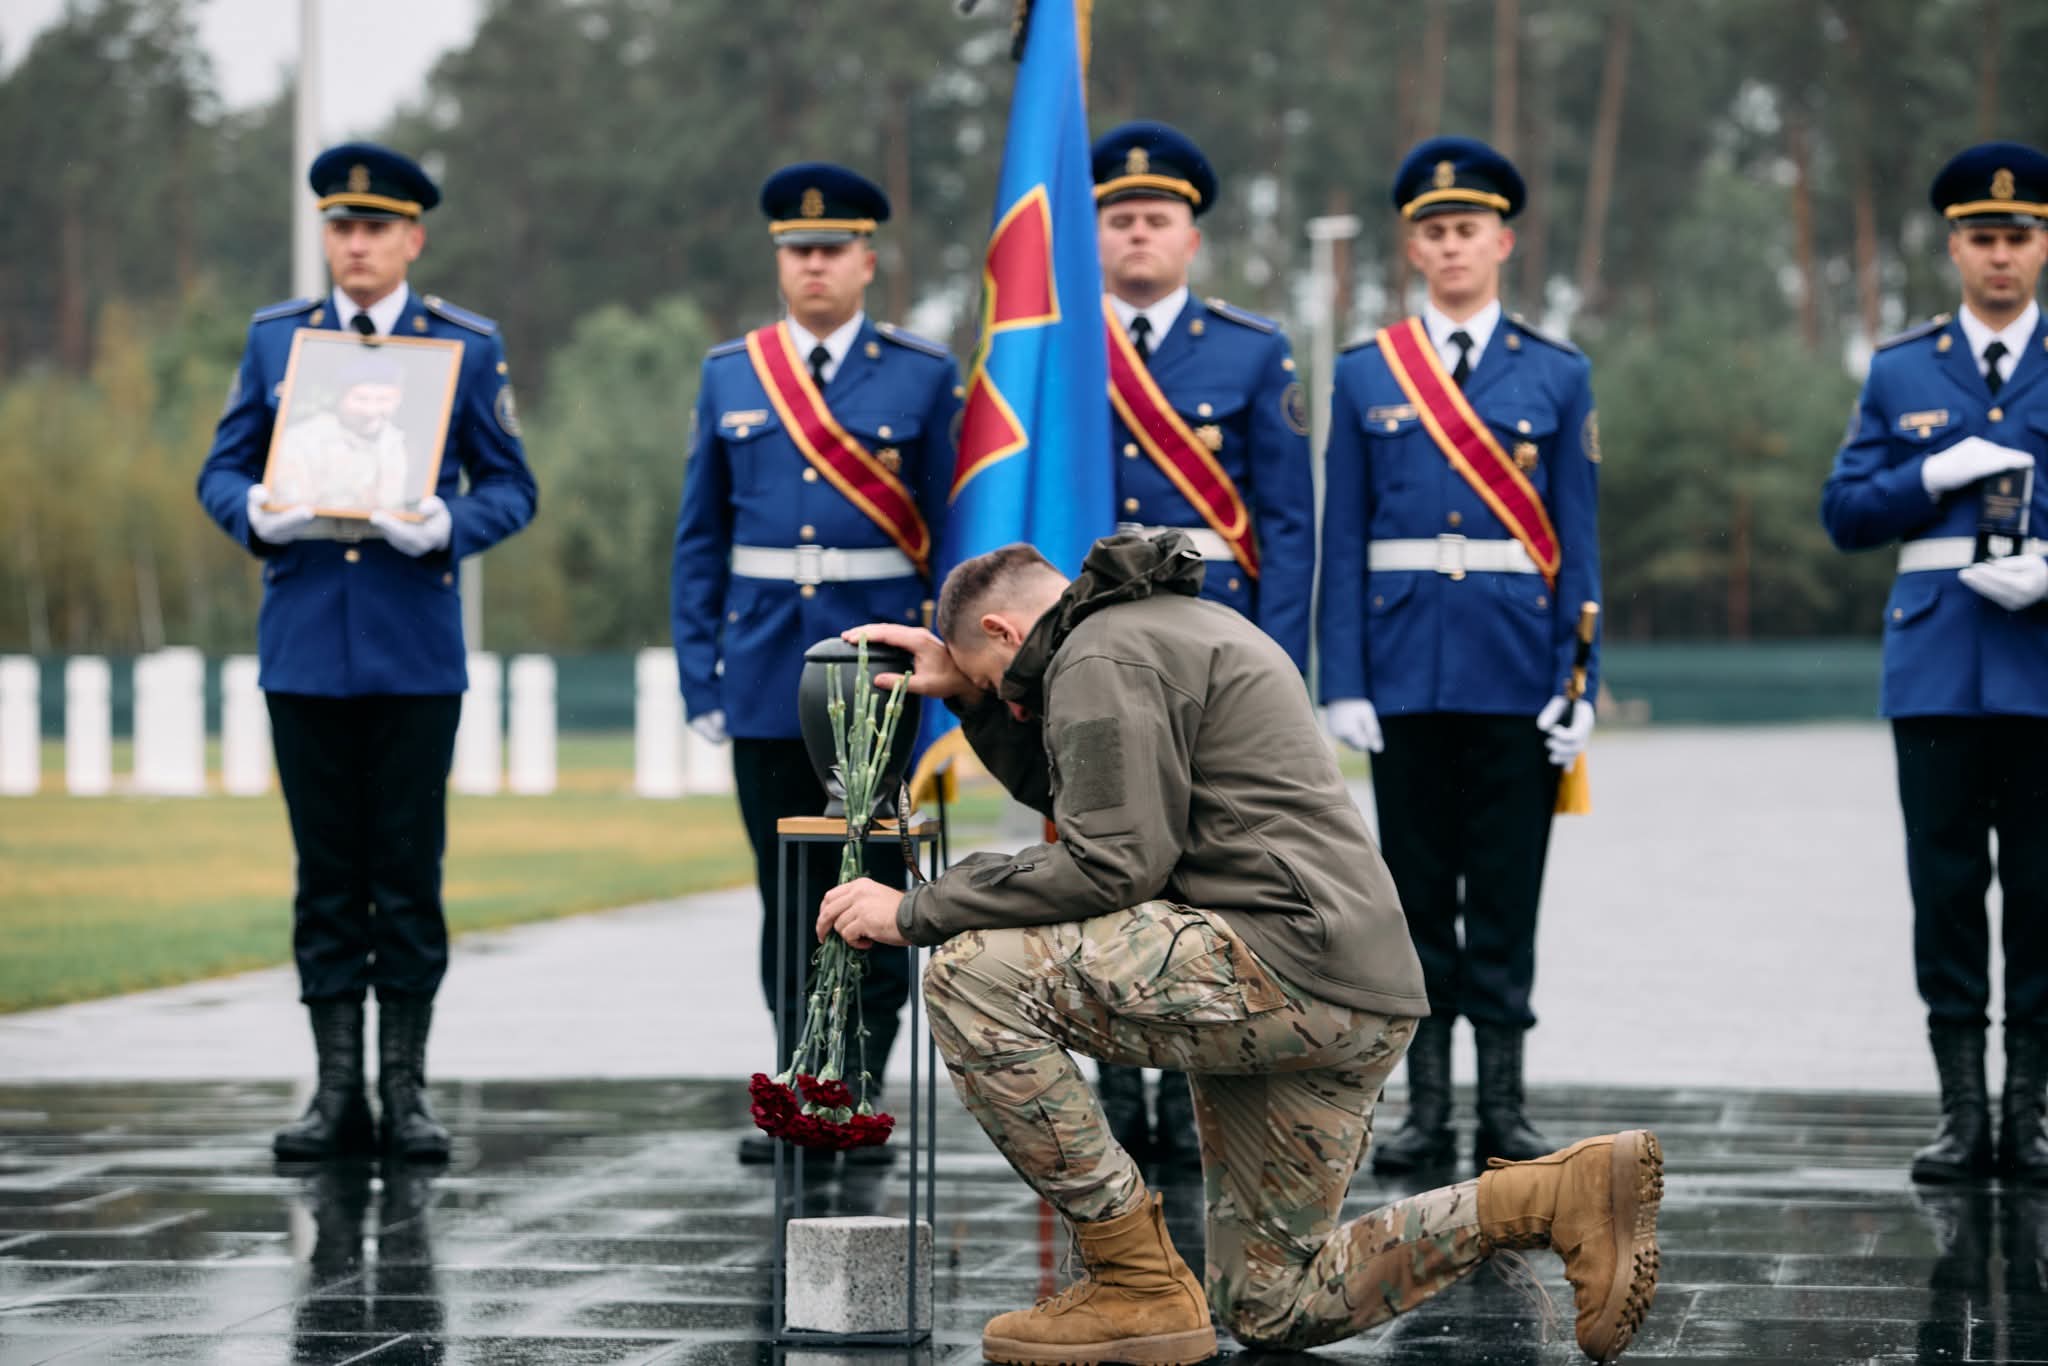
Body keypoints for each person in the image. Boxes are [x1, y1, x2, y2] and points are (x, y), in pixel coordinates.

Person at [821, 531, 1661, 1366]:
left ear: (1002, 630)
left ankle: (1133, 1282)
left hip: (1281, 962)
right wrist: (968, 696)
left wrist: (918, 909)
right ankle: (1555, 1196)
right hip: (1350, 987)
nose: (1005, 700)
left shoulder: (1101, 653)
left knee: (972, 974)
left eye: (992, 682)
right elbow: (1101, 798)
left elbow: (1111, 860)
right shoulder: (1161, 627)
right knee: (1273, 1303)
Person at [196, 141, 537, 1162]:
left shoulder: (463, 345)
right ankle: (336, 1092)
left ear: (412, 239)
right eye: (341, 226)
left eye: (376, 227)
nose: (356, 243)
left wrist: (447, 526)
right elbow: (220, 471)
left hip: (412, 652)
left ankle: (406, 1091)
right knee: (325, 879)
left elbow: (512, 486)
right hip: (305, 647)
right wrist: (255, 510)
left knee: (407, 875)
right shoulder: (279, 341)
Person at [1317, 135, 1602, 1174]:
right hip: (1401, 678)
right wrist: (1342, 679)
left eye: (1467, 229)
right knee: (1415, 900)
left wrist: (1581, 680)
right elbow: (1344, 534)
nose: (1450, 245)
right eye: (1433, 231)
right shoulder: (1365, 373)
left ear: (1501, 243)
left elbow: (1578, 540)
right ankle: (1427, 1110)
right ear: (1413, 248)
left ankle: (1505, 1110)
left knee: (1508, 898)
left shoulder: (1558, 373)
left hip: (1518, 674)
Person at [669, 162, 960, 1164]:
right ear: (778, 261)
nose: (814, 266)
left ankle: (859, 1090)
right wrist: (698, 673)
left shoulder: (922, 374)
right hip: (761, 672)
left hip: (881, 678)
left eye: (833, 249)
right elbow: (699, 539)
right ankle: (798, 1084)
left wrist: (955, 673)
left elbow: (950, 533)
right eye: (797, 251)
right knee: (785, 892)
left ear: (867, 260)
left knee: (876, 884)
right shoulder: (730, 373)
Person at [1090, 120, 1317, 1171]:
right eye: (1119, 218)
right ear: (1093, 236)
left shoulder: (1253, 350)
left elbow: (1288, 522)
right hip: (1089, 647)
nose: (1137, 233)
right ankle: (1114, 1091)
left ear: (1190, 237)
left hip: (1216, 650)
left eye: (1157, 218)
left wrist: (1278, 659)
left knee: (1211, 869)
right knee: (1099, 858)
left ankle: (1196, 1090)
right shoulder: (1054, 347)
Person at [1821, 141, 2048, 1186]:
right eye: (1981, 237)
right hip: (1936, 673)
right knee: (1946, 892)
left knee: (2041, 896)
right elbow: (1844, 514)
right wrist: (1929, 473)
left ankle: (2027, 1119)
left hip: (2039, 670)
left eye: (2018, 236)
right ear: (1953, 246)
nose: (1999, 255)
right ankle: (1962, 1117)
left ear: (2040, 246)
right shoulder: (1899, 369)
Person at [270, 351, 413, 513]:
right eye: (361, 399)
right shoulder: (301, 439)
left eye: (383, 400)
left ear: (398, 399)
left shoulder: (394, 441)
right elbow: (292, 502)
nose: (370, 411)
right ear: (341, 397)